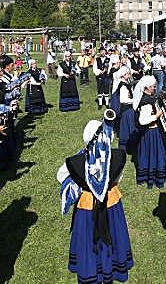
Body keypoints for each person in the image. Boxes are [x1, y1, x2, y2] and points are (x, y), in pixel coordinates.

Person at [57, 119, 133, 284]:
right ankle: (112, 270)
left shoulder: (76, 161)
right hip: (111, 205)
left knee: (89, 243)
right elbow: (118, 178)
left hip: (87, 207)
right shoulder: (118, 156)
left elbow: (61, 175)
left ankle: (92, 273)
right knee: (113, 239)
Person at [133, 76, 166, 188]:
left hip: (152, 132)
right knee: (153, 154)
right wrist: (157, 116)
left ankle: (149, 176)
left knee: (150, 154)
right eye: (153, 87)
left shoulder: (148, 98)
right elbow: (142, 121)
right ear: (147, 87)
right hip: (150, 132)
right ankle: (151, 178)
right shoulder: (146, 102)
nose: (155, 88)